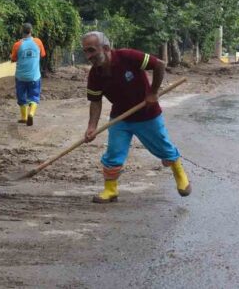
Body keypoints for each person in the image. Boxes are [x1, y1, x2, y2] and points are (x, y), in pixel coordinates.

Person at [82, 31, 191, 203]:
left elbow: (159, 65)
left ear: (106, 48)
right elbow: (95, 102)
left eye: (91, 50)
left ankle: (179, 174)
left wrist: (153, 93)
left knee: (163, 148)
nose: (88, 56)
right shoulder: (95, 74)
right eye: (85, 52)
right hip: (121, 118)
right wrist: (91, 127)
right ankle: (110, 190)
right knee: (113, 153)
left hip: (147, 115)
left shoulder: (128, 56)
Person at [10, 23, 46, 126]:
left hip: (20, 77)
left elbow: (13, 59)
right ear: (31, 31)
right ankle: (31, 113)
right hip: (35, 76)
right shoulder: (38, 42)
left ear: (22, 31)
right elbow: (43, 54)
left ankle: (24, 117)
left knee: (22, 97)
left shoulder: (17, 45)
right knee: (34, 96)